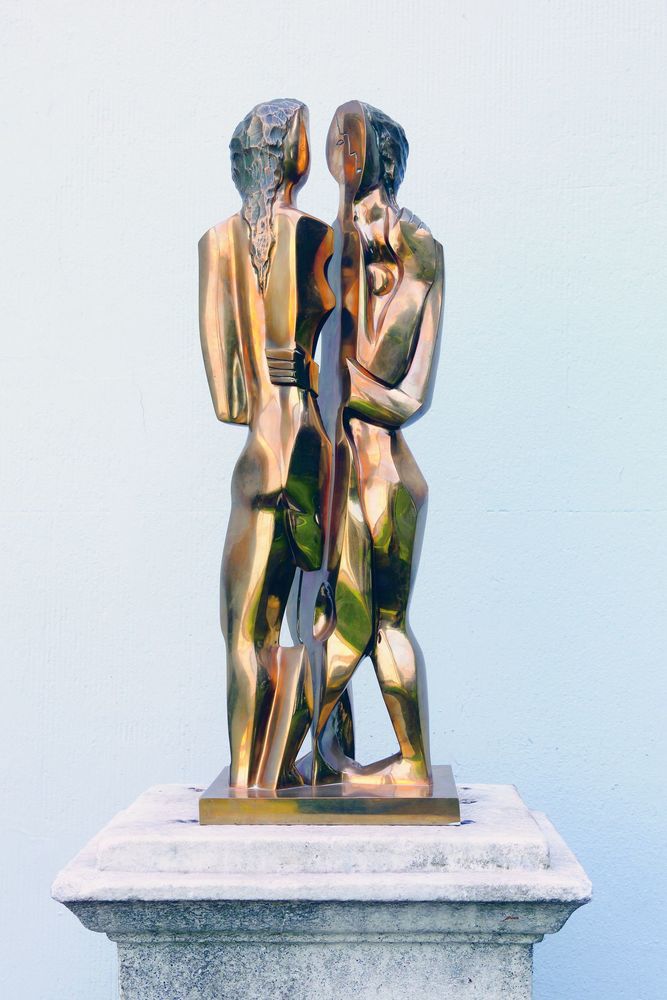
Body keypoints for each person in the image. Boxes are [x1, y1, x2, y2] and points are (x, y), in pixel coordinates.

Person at [199, 99, 334, 789]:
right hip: (307, 440)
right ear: (294, 158)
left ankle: (251, 778)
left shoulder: (216, 245)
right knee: (321, 617)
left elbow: (227, 402)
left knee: (244, 630)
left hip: (256, 455)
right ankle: (304, 760)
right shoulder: (316, 234)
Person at [313, 101, 445, 787]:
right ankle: (331, 758)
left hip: (376, 467)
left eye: (354, 143)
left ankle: (281, 756)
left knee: (362, 626)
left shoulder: (410, 244)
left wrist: (331, 383)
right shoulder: (347, 240)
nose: (343, 153)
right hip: (356, 462)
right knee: (359, 621)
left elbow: (397, 382)